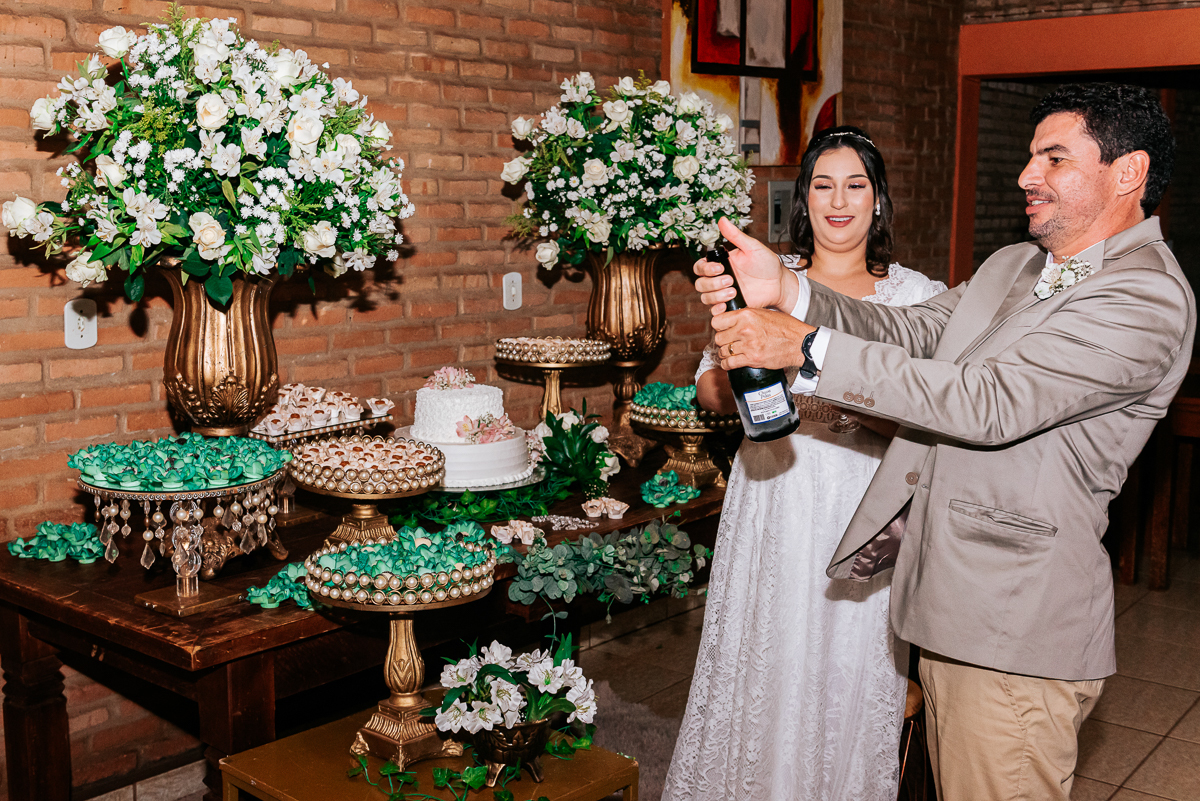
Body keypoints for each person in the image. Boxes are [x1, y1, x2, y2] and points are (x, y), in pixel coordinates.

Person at [692, 84, 1196, 800]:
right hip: (947, 606)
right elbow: (913, 330)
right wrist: (789, 290)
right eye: (1030, 157)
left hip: (1014, 628)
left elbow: (986, 402)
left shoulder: (1143, 295)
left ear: (1128, 172)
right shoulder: (1014, 266)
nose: (1027, 175)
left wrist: (802, 347)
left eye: (1054, 158)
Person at [663, 126, 946, 801]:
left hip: (864, 498)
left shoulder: (914, 295)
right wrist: (738, 369)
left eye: (856, 186)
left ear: (878, 200)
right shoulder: (766, 281)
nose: (839, 201)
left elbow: (935, 406)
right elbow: (707, 386)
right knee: (763, 656)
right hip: (774, 490)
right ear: (804, 199)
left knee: (848, 666)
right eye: (824, 185)